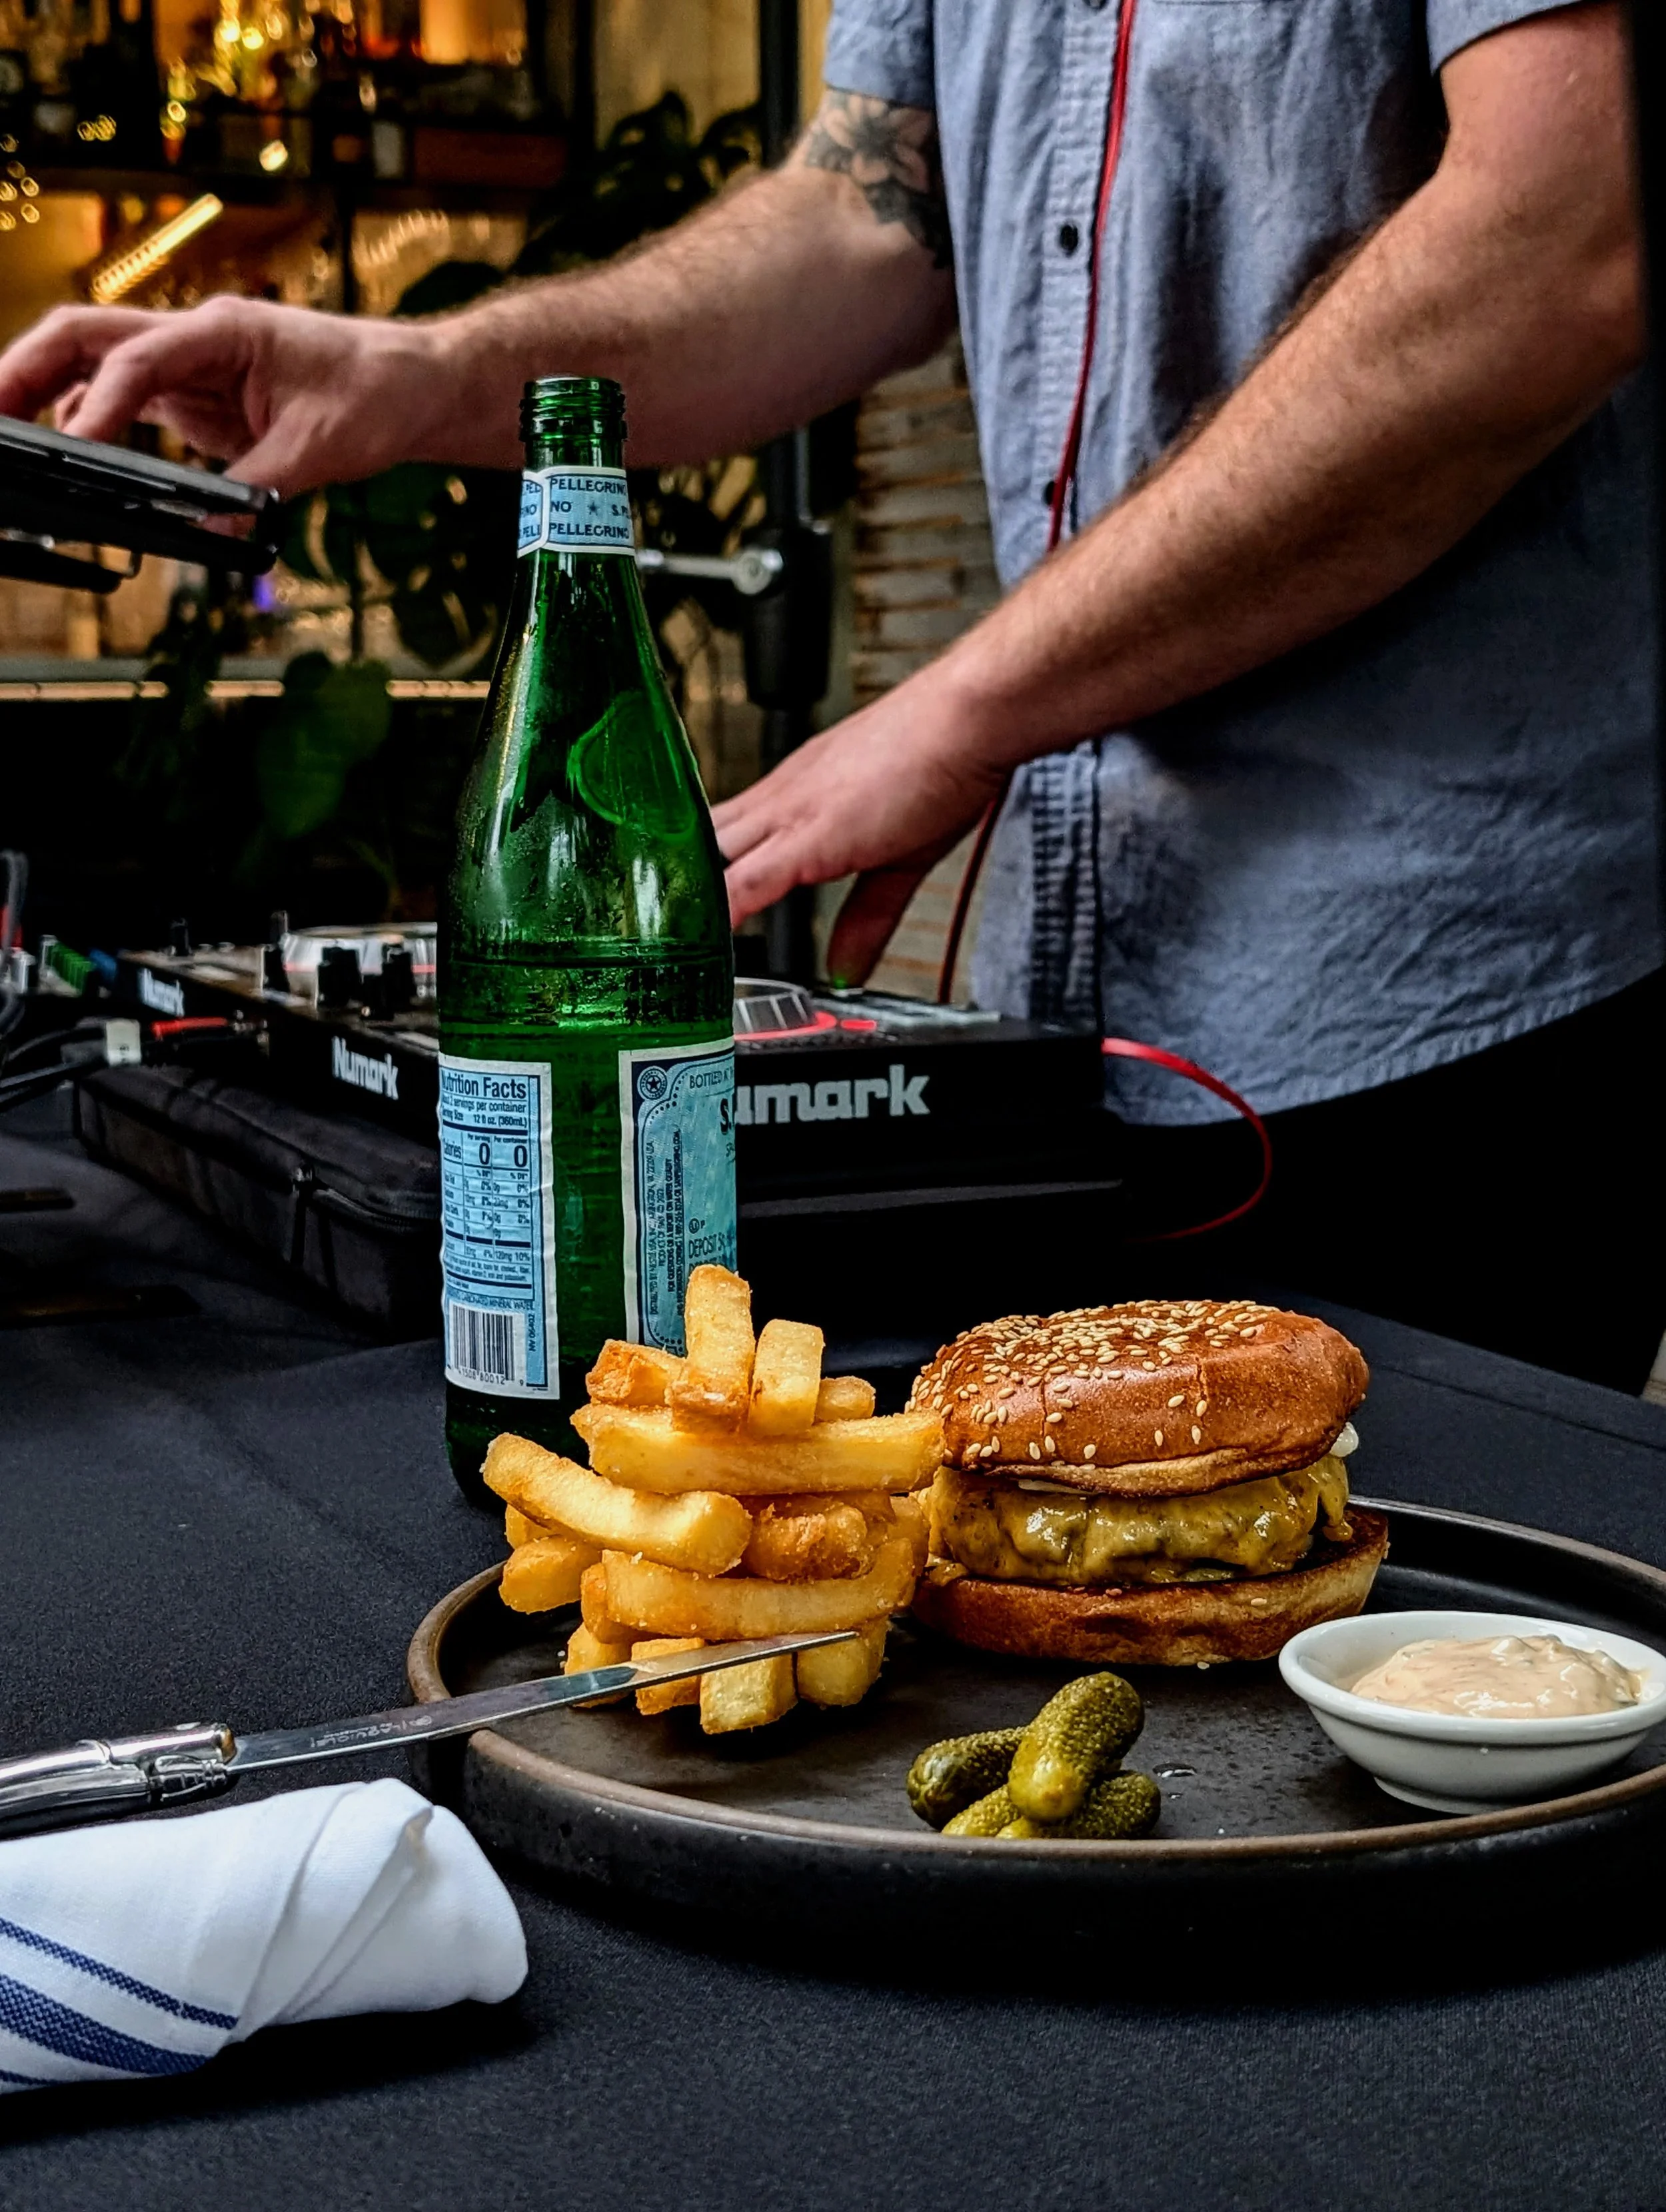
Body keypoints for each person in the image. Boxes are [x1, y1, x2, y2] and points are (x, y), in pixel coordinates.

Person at [0, 1, 1656, 1387]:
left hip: (1449, 992)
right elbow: (857, 215)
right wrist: (426, 373)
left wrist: (965, 705)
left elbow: (1564, 230)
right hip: (1075, 1019)